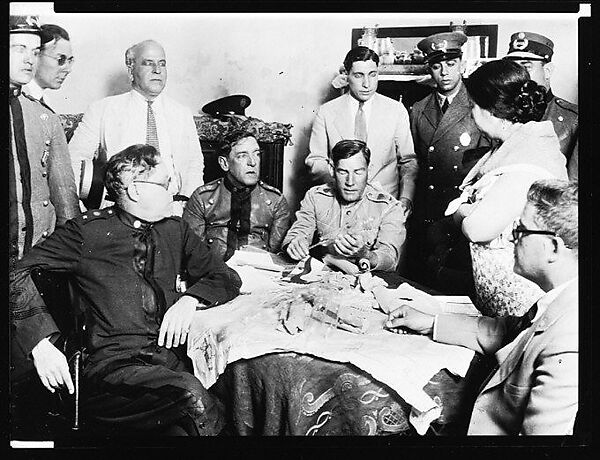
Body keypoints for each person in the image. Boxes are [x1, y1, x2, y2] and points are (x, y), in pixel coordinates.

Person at [10, 144, 242, 436]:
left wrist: (190, 300)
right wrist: (40, 344)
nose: (175, 192)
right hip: (109, 369)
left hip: (166, 362)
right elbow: (14, 273)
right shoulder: (86, 232)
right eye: (166, 184)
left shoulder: (175, 230)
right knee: (191, 397)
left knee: (224, 393)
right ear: (135, 190)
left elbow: (225, 277)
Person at [386, 179, 578, 435]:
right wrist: (430, 322)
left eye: (521, 230)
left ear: (553, 247)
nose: (511, 237)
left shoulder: (570, 338)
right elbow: (506, 331)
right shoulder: (563, 299)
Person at [446, 59, 567, 317]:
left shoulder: (526, 162)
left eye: (473, 107)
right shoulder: (512, 145)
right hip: (500, 298)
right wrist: (471, 208)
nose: (471, 114)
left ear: (490, 111)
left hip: (522, 302)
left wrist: (462, 211)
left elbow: (477, 229)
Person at [68, 39, 204, 213]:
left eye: (162, 64)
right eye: (148, 63)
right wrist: (91, 204)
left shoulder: (182, 113)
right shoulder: (102, 110)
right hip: (120, 210)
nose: (157, 70)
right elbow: (74, 160)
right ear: (131, 70)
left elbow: (194, 165)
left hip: (173, 209)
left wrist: (188, 206)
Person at [407, 31, 492, 293]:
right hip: (428, 213)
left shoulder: (480, 105)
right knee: (425, 285)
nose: (444, 72)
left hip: (462, 213)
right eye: (436, 66)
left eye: (451, 64)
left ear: (462, 65)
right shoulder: (419, 109)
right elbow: (416, 162)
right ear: (430, 70)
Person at [305, 46, 418, 215]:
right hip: (339, 208)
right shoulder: (327, 112)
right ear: (346, 75)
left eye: (372, 75)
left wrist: (405, 200)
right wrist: (341, 187)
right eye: (358, 75)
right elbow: (316, 160)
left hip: (385, 207)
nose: (367, 84)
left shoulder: (396, 110)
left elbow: (408, 162)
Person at [9, 15, 79, 269]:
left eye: (35, 51)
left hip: (37, 249)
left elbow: (63, 194)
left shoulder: (44, 116)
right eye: (20, 49)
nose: (29, 58)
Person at [284, 139, 405, 274]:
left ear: (368, 170)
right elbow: (299, 231)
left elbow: (390, 258)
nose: (350, 182)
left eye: (358, 172)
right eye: (343, 172)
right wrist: (295, 243)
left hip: (368, 283)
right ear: (332, 169)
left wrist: (366, 255)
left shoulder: (389, 207)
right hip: (321, 278)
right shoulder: (315, 197)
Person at [183, 130, 291, 260]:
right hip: (214, 275)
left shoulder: (275, 201)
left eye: (257, 154)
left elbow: (277, 257)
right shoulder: (202, 198)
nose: (252, 162)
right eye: (242, 155)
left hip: (260, 275)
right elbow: (194, 255)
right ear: (225, 163)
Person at [503, 31, 578, 180]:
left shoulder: (573, 120)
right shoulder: (500, 114)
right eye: (514, 68)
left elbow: (573, 188)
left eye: (527, 67)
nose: (518, 76)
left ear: (548, 70)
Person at [23, 23, 74, 111]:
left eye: (69, 61)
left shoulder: (45, 101)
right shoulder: (17, 98)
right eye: (60, 59)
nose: (68, 70)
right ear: (36, 55)